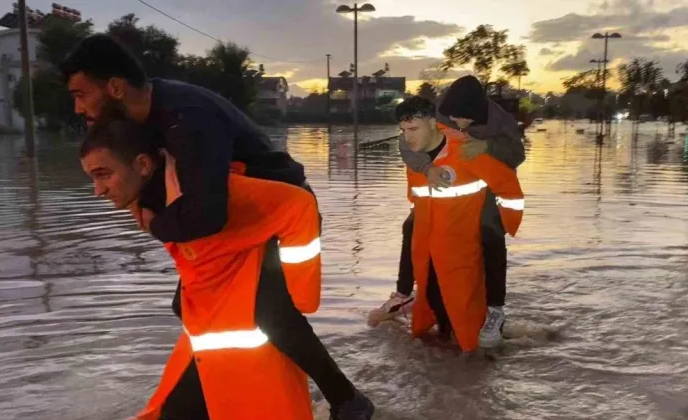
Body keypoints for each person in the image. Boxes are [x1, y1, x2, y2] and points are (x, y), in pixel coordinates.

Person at [62, 34, 373, 419]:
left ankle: (348, 401)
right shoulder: (142, 117)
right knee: (187, 304)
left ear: (114, 87)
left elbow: (208, 214)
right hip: (233, 221)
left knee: (271, 313)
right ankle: (202, 399)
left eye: (80, 94)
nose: (78, 107)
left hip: (274, 216)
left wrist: (156, 224)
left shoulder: (187, 117)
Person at [80, 114, 325, 419]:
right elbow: (193, 254)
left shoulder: (213, 190)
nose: (98, 191)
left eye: (103, 175)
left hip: (268, 256)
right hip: (213, 331)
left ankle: (346, 399)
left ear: (143, 165)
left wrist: (302, 292)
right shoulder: (145, 200)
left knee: (277, 318)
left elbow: (299, 205)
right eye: (93, 178)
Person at [368, 76, 525, 348]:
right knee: (412, 228)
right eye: (454, 118)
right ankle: (404, 294)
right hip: (438, 192)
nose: (460, 124)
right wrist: (427, 168)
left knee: (491, 236)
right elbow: (407, 142)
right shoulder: (433, 116)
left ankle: (495, 309)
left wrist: (487, 146)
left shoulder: (500, 121)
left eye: (466, 120)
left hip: (484, 182)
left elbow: (517, 154)